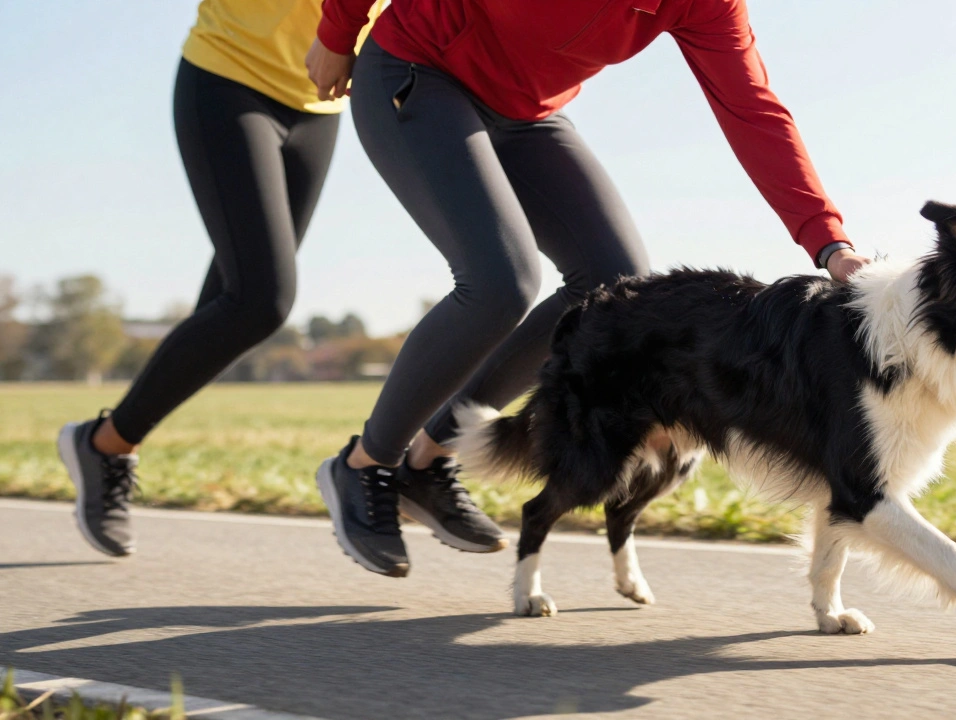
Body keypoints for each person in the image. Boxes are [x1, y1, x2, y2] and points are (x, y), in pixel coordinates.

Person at [306, 0, 874, 578]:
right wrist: (338, 30)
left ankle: (427, 462)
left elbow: (751, 109)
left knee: (612, 291)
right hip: (419, 70)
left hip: (527, 114)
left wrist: (831, 246)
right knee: (500, 282)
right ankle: (363, 464)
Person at [56, 0, 505, 559]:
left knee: (227, 307)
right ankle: (105, 444)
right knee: (260, 300)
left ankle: (106, 444)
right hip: (227, 76)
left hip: (320, 102)